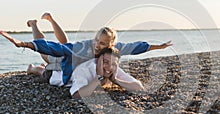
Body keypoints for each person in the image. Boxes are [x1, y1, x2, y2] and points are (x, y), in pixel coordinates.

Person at [0, 19, 172, 86]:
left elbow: (134, 47)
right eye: (97, 40)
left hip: (75, 64)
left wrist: (156, 47)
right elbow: (56, 47)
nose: (98, 45)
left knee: (62, 46)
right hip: (63, 62)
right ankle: (35, 26)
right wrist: (23, 43)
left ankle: (49, 20)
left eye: (103, 43)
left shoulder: (112, 49)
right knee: (47, 61)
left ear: (111, 44)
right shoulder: (85, 46)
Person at [70, 47, 144, 98]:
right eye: (105, 62)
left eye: (114, 64)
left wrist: (116, 80)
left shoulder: (114, 69)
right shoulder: (84, 69)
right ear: (97, 61)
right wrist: (98, 78)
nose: (110, 67)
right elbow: (76, 95)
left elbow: (139, 87)